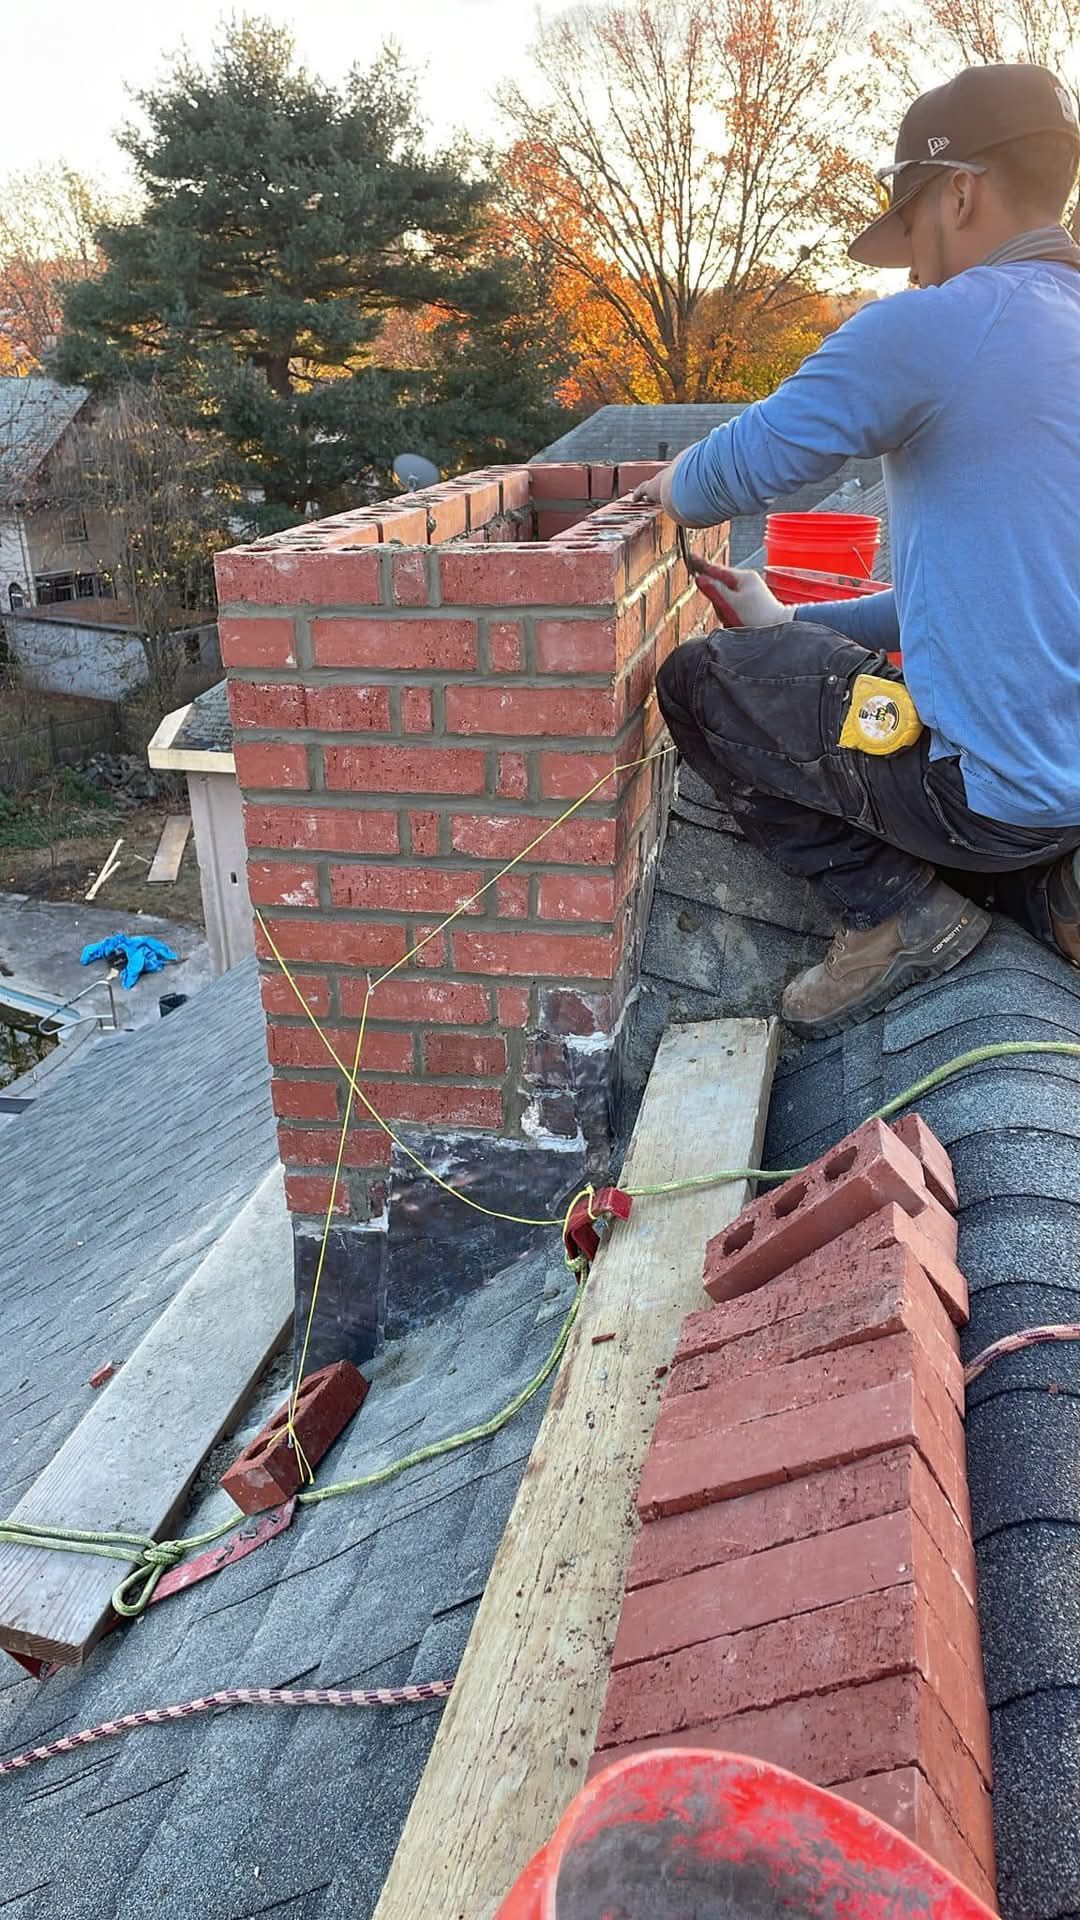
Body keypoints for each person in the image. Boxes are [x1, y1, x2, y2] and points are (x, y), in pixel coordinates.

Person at [634, 64, 1080, 1038]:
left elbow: (738, 472)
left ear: (959, 189)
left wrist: (664, 490)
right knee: (787, 657)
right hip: (1065, 784)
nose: (913, 268)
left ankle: (895, 918)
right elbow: (981, 595)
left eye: (914, 228)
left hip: (987, 798)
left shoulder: (948, 322)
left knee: (705, 681)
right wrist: (794, 619)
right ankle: (1030, 888)